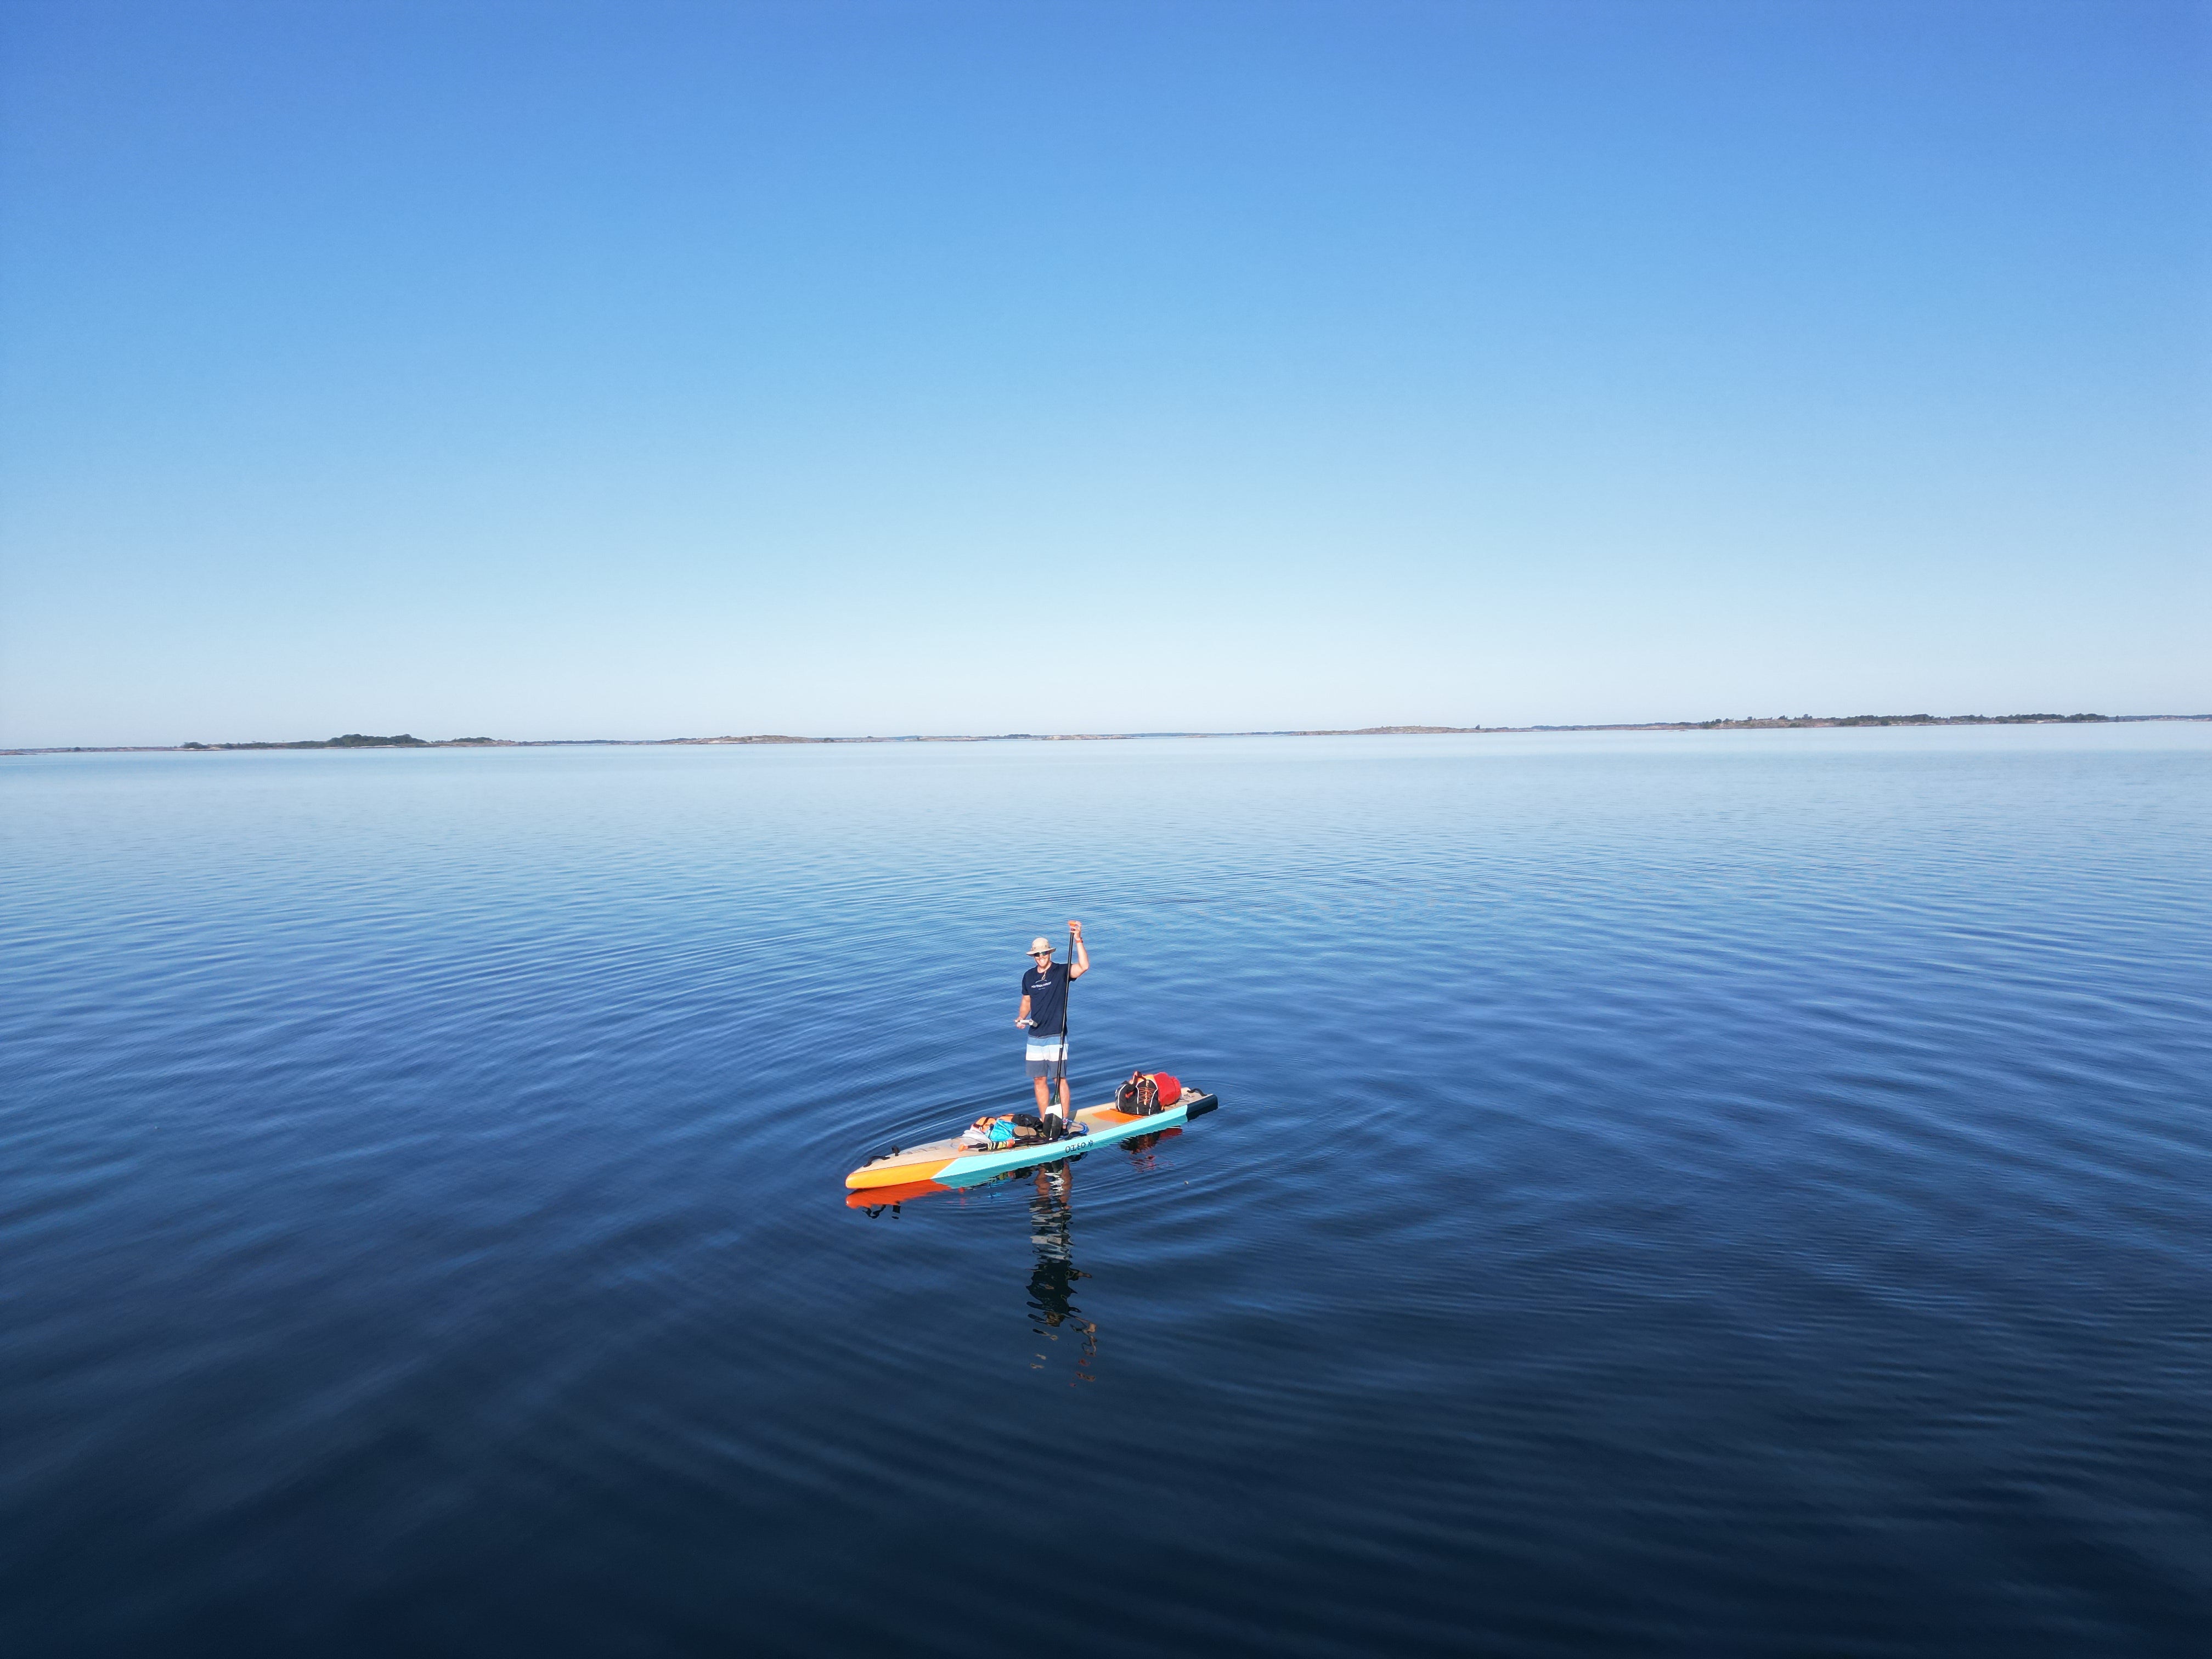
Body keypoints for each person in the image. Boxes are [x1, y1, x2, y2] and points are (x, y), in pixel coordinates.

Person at [1015, 921, 1088, 1131]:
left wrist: (1079, 940)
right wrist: (1021, 1018)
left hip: (1057, 1034)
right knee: (1039, 1079)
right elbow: (1026, 1001)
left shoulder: (1061, 971)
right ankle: (1046, 1121)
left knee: (1058, 1079)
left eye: (1044, 953)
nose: (1041, 957)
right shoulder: (1029, 976)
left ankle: (1063, 1121)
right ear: (1034, 957)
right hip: (1035, 1036)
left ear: (1050, 953)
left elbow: (1084, 967)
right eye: (1037, 955)